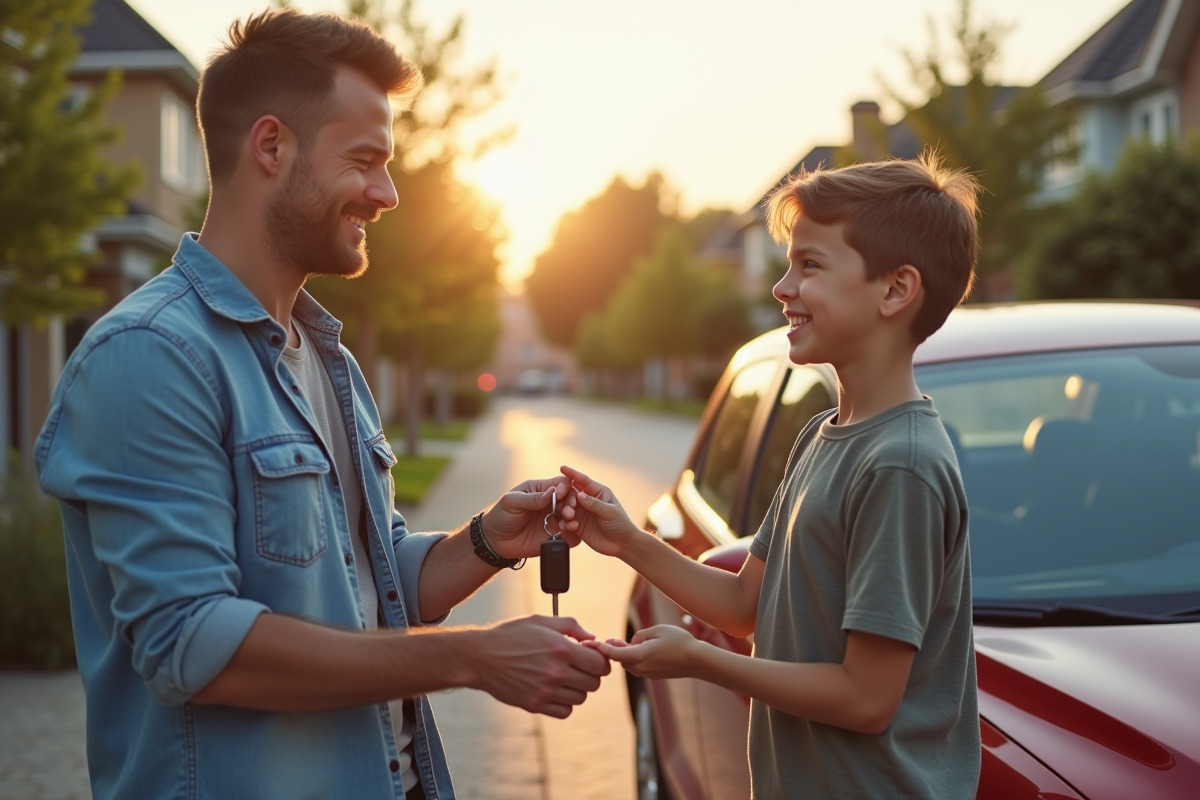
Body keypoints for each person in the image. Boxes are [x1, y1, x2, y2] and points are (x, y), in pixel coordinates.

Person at [35, 9, 607, 800]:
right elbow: (191, 644)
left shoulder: (324, 355)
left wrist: (487, 539)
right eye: (367, 161)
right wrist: (472, 658)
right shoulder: (150, 356)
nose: (389, 194)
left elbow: (365, 581)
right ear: (271, 147)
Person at [564, 153, 982, 798]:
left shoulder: (901, 464)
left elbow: (867, 698)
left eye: (809, 265)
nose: (781, 288)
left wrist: (701, 661)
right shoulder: (822, 436)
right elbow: (743, 607)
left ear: (895, 290)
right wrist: (624, 539)